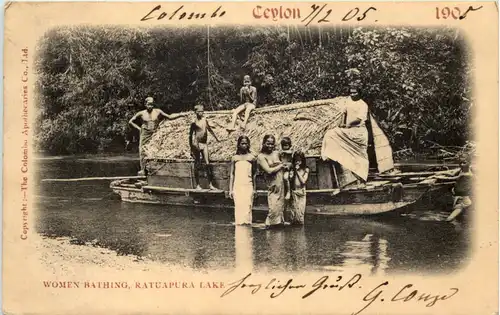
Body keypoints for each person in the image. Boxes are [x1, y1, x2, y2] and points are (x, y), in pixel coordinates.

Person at [321, 86, 369, 188]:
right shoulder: (348, 101)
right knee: (331, 134)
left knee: (360, 157)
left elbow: (359, 119)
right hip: (348, 131)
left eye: (355, 93)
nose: (352, 94)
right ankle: (329, 154)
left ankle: (362, 180)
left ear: (359, 93)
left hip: (358, 132)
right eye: (351, 92)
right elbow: (344, 113)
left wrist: (348, 125)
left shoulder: (363, 105)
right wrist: (342, 124)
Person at [129, 96, 184, 175]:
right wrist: (139, 129)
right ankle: (143, 170)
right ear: (145, 104)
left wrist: (181, 114)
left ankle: (154, 169)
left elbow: (169, 116)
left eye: (152, 104)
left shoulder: (157, 111)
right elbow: (130, 121)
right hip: (145, 134)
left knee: (155, 150)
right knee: (142, 151)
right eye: (149, 104)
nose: (150, 106)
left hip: (154, 133)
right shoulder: (141, 113)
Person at [257, 135, 287, 229]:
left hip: (280, 181)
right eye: (268, 143)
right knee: (273, 205)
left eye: (272, 143)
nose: (270, 145)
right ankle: (269, 224)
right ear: (264, 143)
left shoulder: (276, 153)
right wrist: (281, 166)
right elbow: (268, 170)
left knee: (280, 204)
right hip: (272, 183)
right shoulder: (261, 157)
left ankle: (278, 224)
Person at [189, 104, 220, 190]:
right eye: (199, 111)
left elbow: (209, 129)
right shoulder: (194, 122)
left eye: (202, 111)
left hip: (204, 143)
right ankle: (198, 185)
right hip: (197, 144)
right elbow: (190, 135)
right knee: (197, 164)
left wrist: (217, 138)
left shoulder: (204, 120)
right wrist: (191, 148)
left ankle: (210, 184)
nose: (201, 113)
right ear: (195, 112)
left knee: (207, 164)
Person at [229, 135, 257, 225]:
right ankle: (240, 234)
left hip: (248, 186)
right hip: (238, 186)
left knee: (248, 207)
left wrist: (254, 189)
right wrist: (230, 189)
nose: (244, 145)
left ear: (248, 145)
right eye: (242, 143)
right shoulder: (235, 158)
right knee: (239, 207)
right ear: (238, 145)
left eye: (246, 143)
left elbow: (254, 174)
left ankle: (247, 232)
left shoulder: (252, 158)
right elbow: (232, 174)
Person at [290, 151, 309, 225]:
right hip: (294, 191)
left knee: (300, 213)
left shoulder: (306, 169)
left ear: (302, 160)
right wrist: (293, 172)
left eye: (299, 160)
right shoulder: (292, 169)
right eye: (296, 160)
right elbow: (291, 180)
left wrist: (297, 171)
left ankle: (300, 231)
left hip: (301, 192)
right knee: (293, 212)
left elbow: (303, 181)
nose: (298, 162)